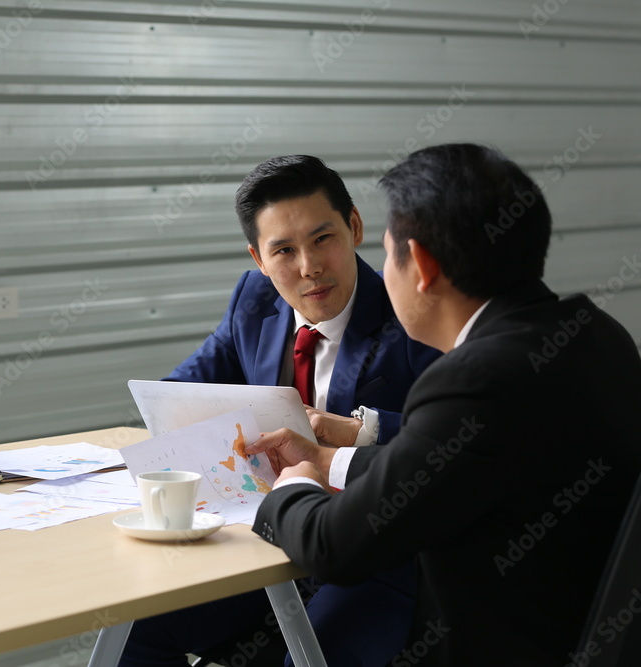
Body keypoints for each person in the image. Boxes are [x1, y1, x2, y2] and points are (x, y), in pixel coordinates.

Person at [249, 143, 641, 665]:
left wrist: (289, 482)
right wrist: (326, 460)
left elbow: (332, 547)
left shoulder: (473, 379)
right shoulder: (596, 334)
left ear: (424, 267)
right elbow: (454, 465)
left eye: (389, 255)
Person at [123, 155, 440, 667]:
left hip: (367, 555)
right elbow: (180, 391)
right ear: (258, 259)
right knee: (137, 625)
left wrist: (362, 429)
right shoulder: (254, 301)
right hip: (268, 541)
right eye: (284, 251)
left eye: (323, 240)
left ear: (355, 227)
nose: (309, 267)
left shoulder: (410, 310)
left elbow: (452, 440)